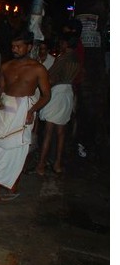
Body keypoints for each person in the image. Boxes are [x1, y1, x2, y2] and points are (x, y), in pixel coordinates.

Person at [0, 30, 51, 209]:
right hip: (5, 111)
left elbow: (47, 95)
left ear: (29, 47)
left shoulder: (37, 69)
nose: (15, 49)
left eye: (19, 46)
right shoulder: (6, 66)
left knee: (17, 150)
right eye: (13, 47)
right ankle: (5, 188)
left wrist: (32, 110)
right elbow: (1, 88)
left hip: (23, 111)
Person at [34, 33, 81, 175]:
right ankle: (57, 164)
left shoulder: (62, 59)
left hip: (58, 94)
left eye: (62, 43)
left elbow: (50, 77)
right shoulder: (77, 60)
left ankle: (41, 165)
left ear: (66, 44)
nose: (60, 45)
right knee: (61, 133)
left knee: (48, 132)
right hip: (68, 94)